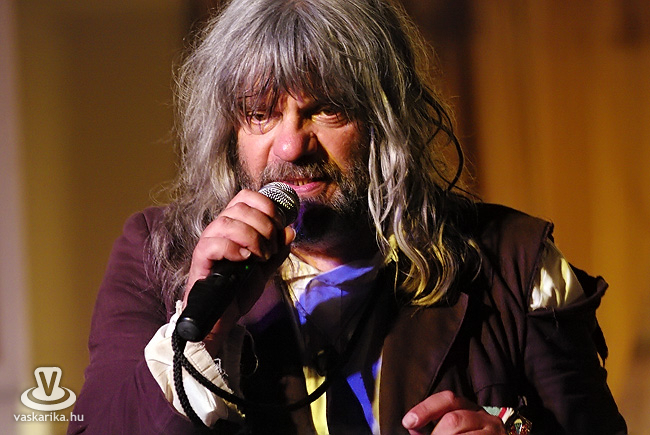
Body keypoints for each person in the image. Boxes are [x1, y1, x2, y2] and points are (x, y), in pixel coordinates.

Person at [68, 0, 627, 433]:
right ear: (228, 130)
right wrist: (205, 333)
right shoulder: (156, 253)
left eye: (327, 109)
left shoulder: (514, 260)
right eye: (261, 114)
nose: (291, 146)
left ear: (387, 121)